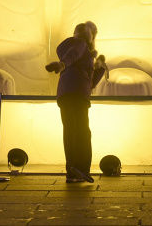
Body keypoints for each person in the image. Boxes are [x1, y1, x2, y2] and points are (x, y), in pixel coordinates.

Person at [46, 21, 107, 183]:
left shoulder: (84, 54)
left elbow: (91, 83)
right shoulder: (78, 45)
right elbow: (73, 53)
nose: (86, 34)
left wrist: (99, 67)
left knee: (72, 131)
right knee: (81, 132)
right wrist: (62, 64)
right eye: (83, 31)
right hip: (76, 94)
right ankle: (80, 169)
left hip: (70, 93)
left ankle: (73, 170)